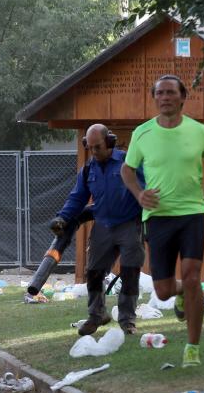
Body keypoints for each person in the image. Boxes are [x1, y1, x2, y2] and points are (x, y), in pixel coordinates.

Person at [121, 75, 204, 367]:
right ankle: (181, 294)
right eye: (160, 93)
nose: (165, 97)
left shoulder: (199, 131)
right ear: (154, 98)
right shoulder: (142, 134)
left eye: (170, 93)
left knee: (192, 276)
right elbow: (127, 171)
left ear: (182, 97)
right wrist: (139, 194)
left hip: (192, 213)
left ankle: (192, 348)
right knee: (163, 291)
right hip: (157, 217)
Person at [50, 124, 145, 336]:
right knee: (93, 273)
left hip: (130, 223)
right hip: (102, 225)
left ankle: (127, 321)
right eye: (90, 147)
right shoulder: (87, 171)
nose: (94, 152)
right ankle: (96, 316)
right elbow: (77, 198)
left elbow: (145, 187)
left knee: (130, 273)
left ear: (109, 142)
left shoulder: (128, 163)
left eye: (98, 147)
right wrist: (62, 218)